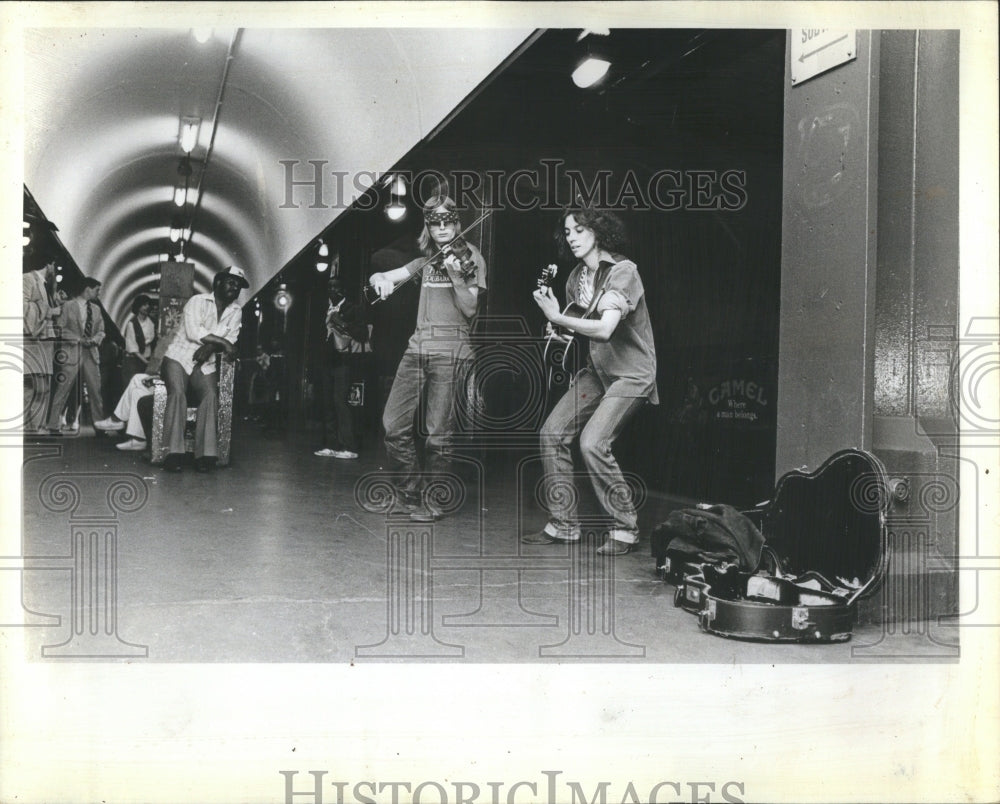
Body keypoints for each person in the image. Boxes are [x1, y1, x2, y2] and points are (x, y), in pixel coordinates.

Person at [523, 207, 658, 556]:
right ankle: (564, 524)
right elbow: (577, 324)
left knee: (593, 443)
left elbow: (605, 328)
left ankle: (625, 528)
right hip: (598, 372)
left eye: (579, 230)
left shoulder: (624, 272)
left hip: (631, 373)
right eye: (567, 232)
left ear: (598, 232)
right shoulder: (575, 279)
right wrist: (558, 325)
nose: (572, 237)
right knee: (551, 434)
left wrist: (556, 316)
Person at [368, 195, 487, 522]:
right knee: (393, 426)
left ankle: (434, 501)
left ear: (457, 223)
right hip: (416, 350)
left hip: (451, 353)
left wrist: (456, 274)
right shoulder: (426, 261)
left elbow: (470, 308)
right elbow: (383, 276)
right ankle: (410, 491)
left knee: (438, 434)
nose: (443, 228)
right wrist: (378, 281)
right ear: (429, 226)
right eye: (436, 222)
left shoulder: (470, 258)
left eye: (448, 221)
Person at [159, 265, 246, 473]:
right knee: (178, 393)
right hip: (178, 356)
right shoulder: (198, 301)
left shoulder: (236, 311)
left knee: (210, 395)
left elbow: (232, 337)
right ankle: (173, 453)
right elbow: (193, 331)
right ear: (218, 283)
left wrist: (210, 346)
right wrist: (222, 343)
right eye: (231, 282)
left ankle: (205, 455)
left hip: (203, 363)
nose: (235, 288)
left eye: (239, 285)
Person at [314, 276, 369, 459]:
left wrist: (342, 322)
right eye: (330, 286)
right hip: (327, 361)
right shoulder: (325, 308)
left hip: (345, 362)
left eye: (336, 287)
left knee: (341, 401)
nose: (332, 290)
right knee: (327, 402)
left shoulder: (353, 308)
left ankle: (349, 447)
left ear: (344, 290)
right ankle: (331, 445)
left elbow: (362, 335)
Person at [45, 277, 106, 434]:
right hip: (72, 352)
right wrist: (78, 339)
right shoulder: (67, 306)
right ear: (88, 289)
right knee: (62, 389)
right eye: (97, 290)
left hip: (91, 353)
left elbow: (101, 331)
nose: (98, 293)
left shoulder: (97, 309)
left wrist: (95, 339)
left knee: (96, 392)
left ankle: (99, 426)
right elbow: (60, 328)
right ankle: (53, 425)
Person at [22, 257, 62, 434]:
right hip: (33, 341)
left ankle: (33, 426)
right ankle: (30, 426)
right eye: (55, 266)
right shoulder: (27, 279)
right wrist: (48, 311)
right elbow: (22, 307)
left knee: (41, 387)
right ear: (49, 264)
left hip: (45, 341)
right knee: (35, 387)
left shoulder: (47, 284)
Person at [121, 294, 156, 387]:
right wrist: (146, 362)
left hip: (147, 359)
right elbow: (133, 349)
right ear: (138, 307)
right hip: (134, 361)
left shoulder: (152, 322)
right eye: (144, 305)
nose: (147, 307)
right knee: (133, 386)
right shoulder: (131, 324)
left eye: (148, 304)